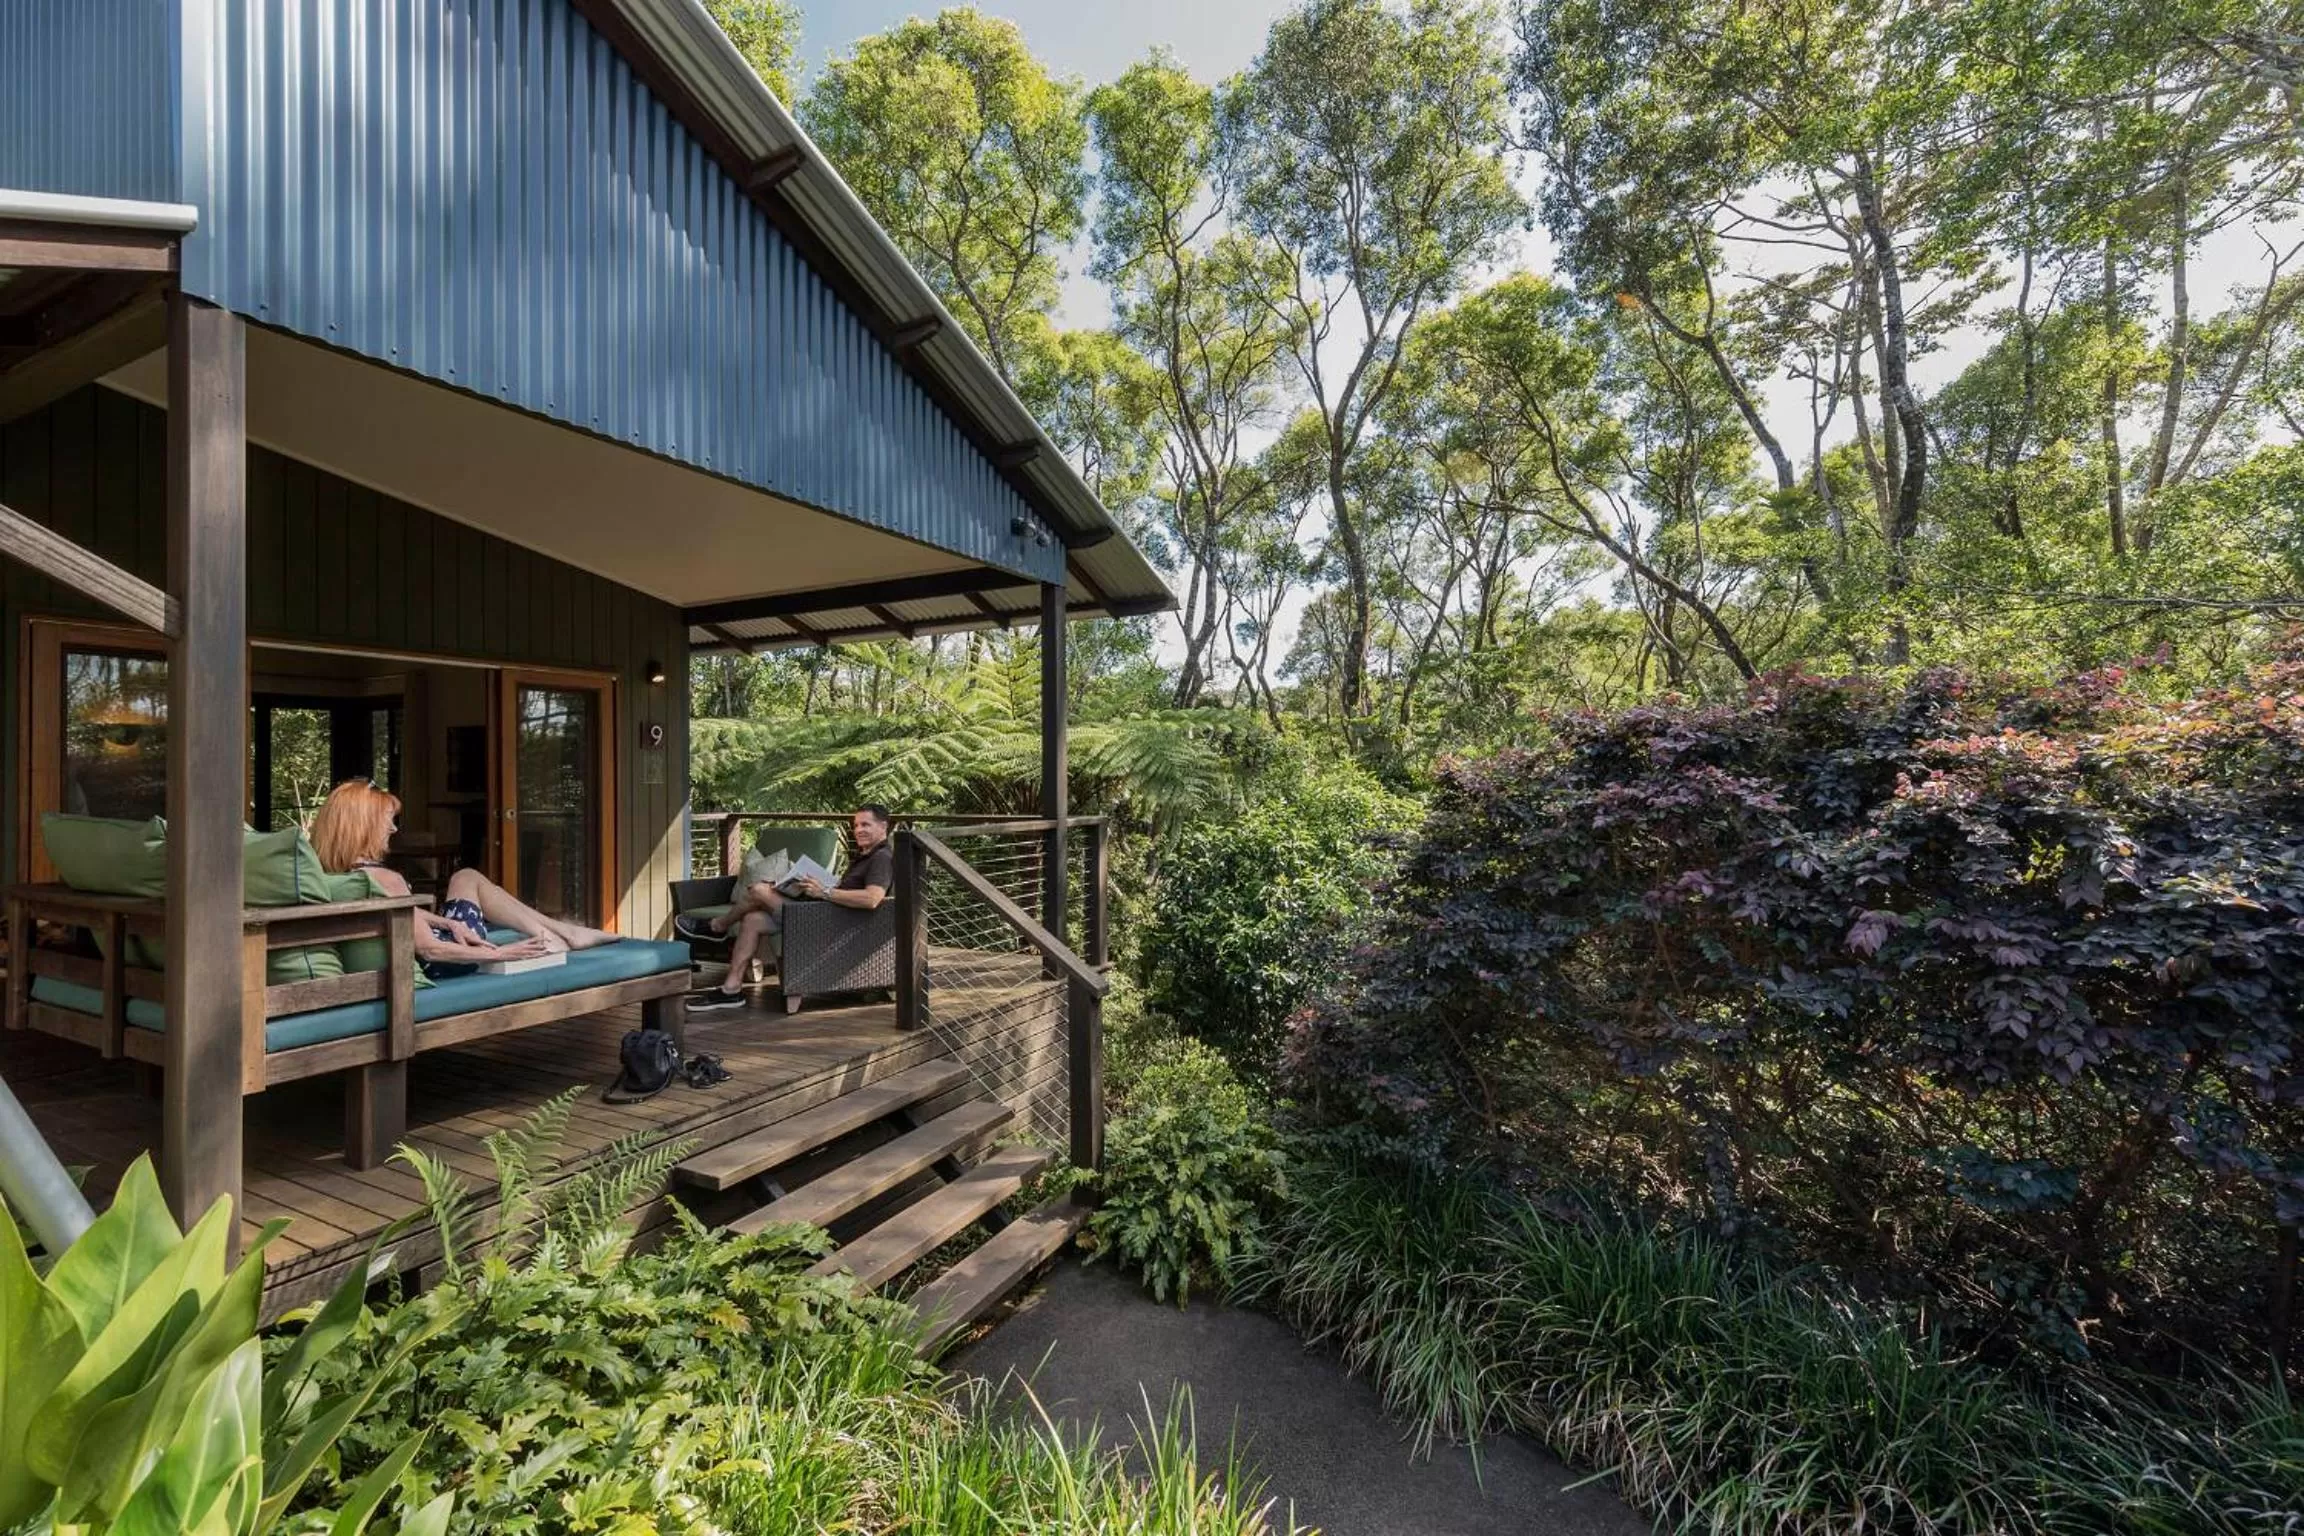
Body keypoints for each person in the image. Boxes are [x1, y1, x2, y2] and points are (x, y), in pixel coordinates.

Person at [308, 779, 621, 980]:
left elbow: (394, 916)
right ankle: (558, 932)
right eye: (387, 822)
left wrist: (446, 922)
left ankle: (559, 931)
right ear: (361, 827)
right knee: (467, 876)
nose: (392, 830)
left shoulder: (331, 877)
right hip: (442, 963)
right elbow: (431, 950)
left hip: (414, 953)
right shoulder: (386, 879)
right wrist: (499, 953)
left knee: (466, 877)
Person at [678, 805, 894, 1012]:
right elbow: (850, 889)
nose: (859, 830)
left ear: (883, 827)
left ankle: (719, 926)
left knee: (760, 891)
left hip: (832, 923)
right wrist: (816, 885)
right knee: (753, 919)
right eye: (856, 825)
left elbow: (872, 898)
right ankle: (731, 989)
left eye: (866, 825)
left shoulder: (882, 858)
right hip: (823, 913)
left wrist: (824, 893)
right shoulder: (865, 856)